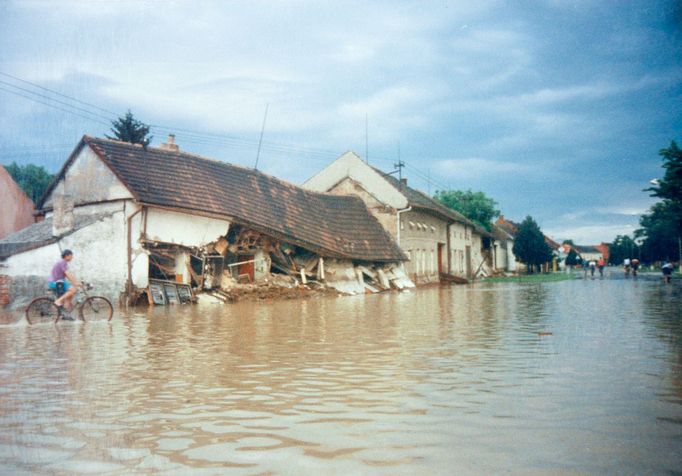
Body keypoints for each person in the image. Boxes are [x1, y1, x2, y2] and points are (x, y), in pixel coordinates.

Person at [49, 249, 81, 320]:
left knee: (70, 295)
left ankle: (65, 314)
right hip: (56, 282)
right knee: (73, 290)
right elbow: (68, 274)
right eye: (71, 256)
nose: (72, 257)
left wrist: (76, 281)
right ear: (66, 256)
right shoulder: (63, 262)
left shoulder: (63, 263)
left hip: (60, 282)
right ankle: (58, 301)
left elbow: (68, 275)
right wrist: (76, 283)